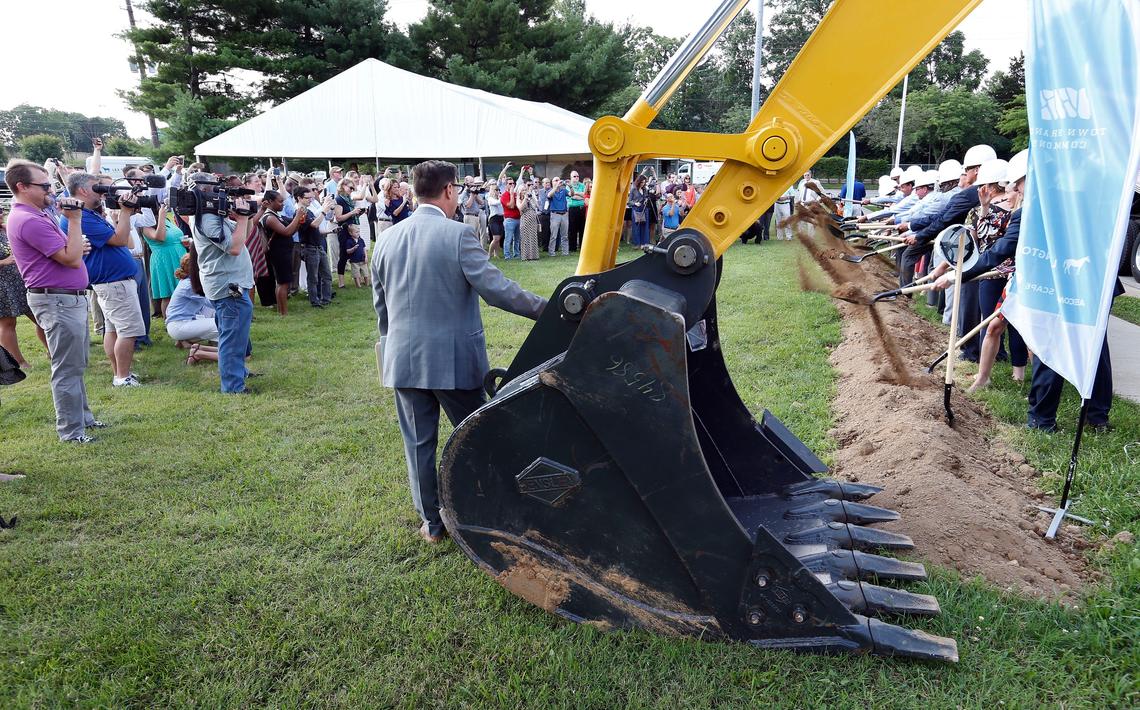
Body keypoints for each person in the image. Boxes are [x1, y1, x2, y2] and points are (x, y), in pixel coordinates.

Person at [371, 160, 547, 543]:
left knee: (418, 446)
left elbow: (381, 308)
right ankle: (502, 511)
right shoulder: (459, 234)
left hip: (402, 359)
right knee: (482, 437)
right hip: (452, 361)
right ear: (450, 190)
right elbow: (499, 290)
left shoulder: (384, 239)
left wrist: (394, 348)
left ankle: (432, 526)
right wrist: (550, 311)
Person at [5, 160, 103, 442]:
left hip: (65, 299)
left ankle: (83, 420)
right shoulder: (28, 219)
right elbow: (71, 257)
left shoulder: (36, 214)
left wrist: (73, 243)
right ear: (22, 187)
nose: (51, 190)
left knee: (76, 365)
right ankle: (72, 432)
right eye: (45, 185)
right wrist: (74, 221)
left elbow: (70, 251)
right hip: (57, 301)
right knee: (67, 369)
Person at [60, 172, 145, 387]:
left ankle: (120, 374)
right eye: (96, 187)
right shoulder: (83, 217)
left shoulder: (87, 213)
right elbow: (120, 239)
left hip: (111, 282)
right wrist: (125, 211)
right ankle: (122, 377)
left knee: (113, 329)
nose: (102, 191)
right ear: (82, 190)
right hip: (114, 283)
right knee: (128, 331)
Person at [187, 172, 257, 394]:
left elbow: (243, 237)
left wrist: (244, 216)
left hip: (230, 283)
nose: (221, 190)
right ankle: (233, 386)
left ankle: (238, 373)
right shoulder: (206, 218)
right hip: (228, 285)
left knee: (236, 333)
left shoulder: (211, 213)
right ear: (202, 189)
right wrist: (243, 219)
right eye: (215, 186)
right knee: (232, 337)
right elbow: (234, 248)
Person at [0, 204, 48, 368]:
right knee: (8, 324)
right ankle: (18, 362)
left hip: (21, 281)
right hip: (2, 286)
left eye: (1, 212)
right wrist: (3, 262)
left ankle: (53, 351)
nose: (1, 215)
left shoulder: (5, 229)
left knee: (41, 317)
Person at [134, 203, 187, 319]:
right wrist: (162, 217)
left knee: (185, 290)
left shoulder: (167, 220)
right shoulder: (145, 225)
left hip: (179, 255)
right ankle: (170, 322)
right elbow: (160, 237)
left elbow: (176, 235)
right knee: (168, 294)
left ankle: (185, 318)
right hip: (164, 261)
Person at [260, 190, 305, 316]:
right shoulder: (269, 218)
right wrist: (297, 217)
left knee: (283, 282)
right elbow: (286, 232)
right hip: (278, 253)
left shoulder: (276, 215)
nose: (282, 204)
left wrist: (299, 220)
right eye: (280, 202)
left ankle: (282, 310)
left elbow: (292, 229)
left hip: (284, 251)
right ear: (269, 202)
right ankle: (283, 313)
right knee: (282, 283)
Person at [166, 252, 220, 346]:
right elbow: (212, 302)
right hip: (178, 325)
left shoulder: (190, 280)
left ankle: (186, 340)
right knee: (222, 323)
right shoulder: (190, 286)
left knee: (217, 314)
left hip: (183, 321)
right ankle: (190, 340)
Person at [294, 187, 336, 308]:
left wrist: (331, 231)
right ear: (299, 198)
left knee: (327, 276)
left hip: (318, 246)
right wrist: (324, 210)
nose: (311, 200)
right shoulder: (299, 212)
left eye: (311, 198)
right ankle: (315, 302)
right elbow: (314, 224)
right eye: (307, 198)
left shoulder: (308, 211)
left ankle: (326, 299)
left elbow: (317, 229)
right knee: (313, 277)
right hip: (309, 247)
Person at [517, 179, 541, 261]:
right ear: (519, 191)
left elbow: (537, 206)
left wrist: (532, 197)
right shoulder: (519, 199)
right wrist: (525, 198)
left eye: (525, 190)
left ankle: (534, 256)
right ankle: (525, 256)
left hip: (533, 219)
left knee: (533, 237)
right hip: (525, 219)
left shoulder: (531, 196)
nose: (524, 191)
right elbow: (520, 208)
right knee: (525, 237)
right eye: (522, 190)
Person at [546, 176, 570, 256]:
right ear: (552, 183)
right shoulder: (550, 190)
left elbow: (571, 194)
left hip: (564, 214)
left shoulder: (563, 190)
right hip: (555, 215)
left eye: (559, 180)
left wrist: (570, 186)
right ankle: (551, 252)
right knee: (554, 235)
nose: (558, 181)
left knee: (565, 235)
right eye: (555, 180)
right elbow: (549, 195)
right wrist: (556, 186)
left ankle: (565, 252)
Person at [501, 175, 521, 260]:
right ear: (506, 185)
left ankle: (516, 254)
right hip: (509, 220)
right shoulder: (504, 196)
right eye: (510, 183)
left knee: (517, 239)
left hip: (518, 219)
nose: (512, 185)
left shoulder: (516, 194)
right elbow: (512, 206)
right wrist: (512, 194)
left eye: (513, 183)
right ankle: (507, 256)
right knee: (508, 239)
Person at [567, 170, 587, 252]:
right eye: (574, 176)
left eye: (577, 176)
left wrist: (576, 194)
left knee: (582, 228)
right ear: (571, 178)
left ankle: (582, 247)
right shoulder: (568, 186)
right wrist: (580, 195)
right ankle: (572, 247)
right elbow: (572, 196)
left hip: (582, 208)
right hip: (572, 209)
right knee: (572, 229)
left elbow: (584, 195)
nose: (576, 178)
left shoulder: (582, 185)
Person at [628, 175, 650, 247]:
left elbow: (646, 197)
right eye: (641, 182)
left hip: (644, 209)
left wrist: (646, 200)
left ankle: (644, 243)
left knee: (645, 226)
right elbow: (629, 202)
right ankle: (637, 243)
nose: (643, 184)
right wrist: (635, 203)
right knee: (636, 226)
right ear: (638, 182)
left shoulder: (645, 189)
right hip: (636, 209)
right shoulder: (633, 190)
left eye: (644, 182)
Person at [486, 181, 505, 258]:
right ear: (493, 191)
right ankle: (489, 254)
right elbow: (496, 203)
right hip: (494, 219)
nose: (498, 191)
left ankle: (496, 254)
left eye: (498, 190)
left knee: (499, 238)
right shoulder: (490, 198)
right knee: (495, 238)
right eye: (496, 190)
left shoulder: (499, 197)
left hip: (501, 218)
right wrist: (501, 197)